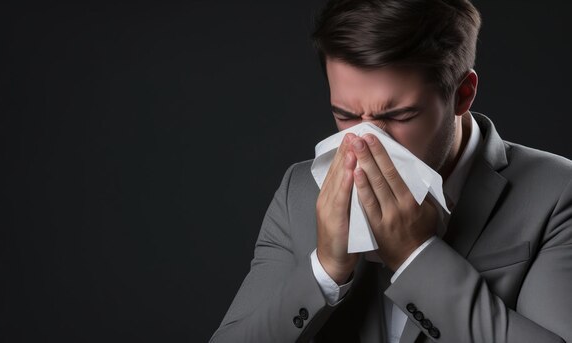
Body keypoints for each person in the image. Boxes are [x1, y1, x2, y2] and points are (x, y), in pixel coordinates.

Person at [210, 0, 572, 342]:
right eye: (346, 116)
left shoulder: (556, 193)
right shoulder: (301, 190)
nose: (368, 140)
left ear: (462, 94)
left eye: (399, 116)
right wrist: (324, 271)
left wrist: (416, 257)